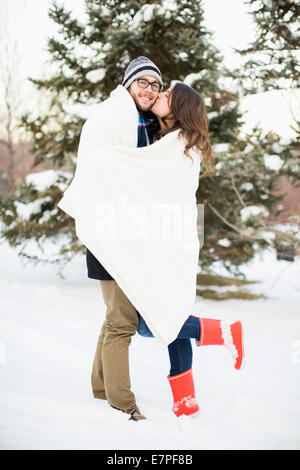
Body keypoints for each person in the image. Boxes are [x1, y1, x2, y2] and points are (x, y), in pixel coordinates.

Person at [136, 82, 244, 418]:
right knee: (171, 312)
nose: (161, 95)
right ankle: (185, 398)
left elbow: (142, 177)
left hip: (169, 243)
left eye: (168, 94)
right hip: (168, 239)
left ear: (180, 109)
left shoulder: (179, 144)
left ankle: (223, 331)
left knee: (147, 322)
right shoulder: (172, 141)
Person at [82, 56, 162, 421]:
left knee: (115, 316)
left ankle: (101, 387)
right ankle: (123, 403)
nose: (149, 89)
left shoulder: (144, 125)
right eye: (142, 82)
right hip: (110, 232)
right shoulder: (111, 116)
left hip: (127, 234)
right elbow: (101, 166)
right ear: (129, 84)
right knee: (122, 323)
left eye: (155, 84)